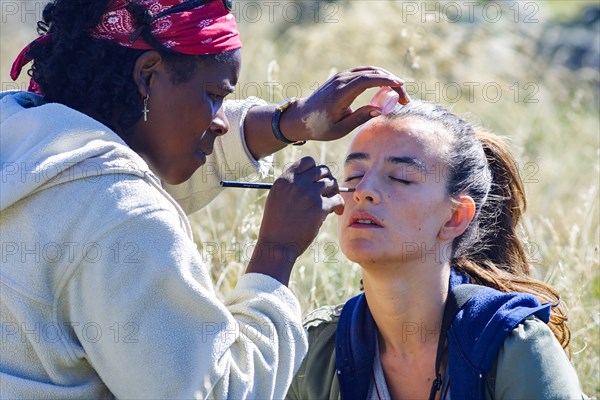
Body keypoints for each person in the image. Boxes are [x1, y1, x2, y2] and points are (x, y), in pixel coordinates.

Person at [0, 0, 409, 398]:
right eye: (214, 94)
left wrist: (288, 122)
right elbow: (217, 392)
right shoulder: (120, 214)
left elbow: (112, 182)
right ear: (147, 75)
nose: (219, 121)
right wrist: (277, 253)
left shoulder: (20, 138)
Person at [286, 100, 586, 400]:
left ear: (455, 217)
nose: (364, 191)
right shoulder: (317, 349)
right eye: (353, 176)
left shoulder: (515, 348)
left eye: (400, 178)